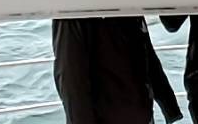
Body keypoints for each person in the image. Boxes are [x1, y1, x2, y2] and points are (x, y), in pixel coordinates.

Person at [52, 17, 182, 124]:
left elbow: (145, 51)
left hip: (139, 111)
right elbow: (71, 81)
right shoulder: (71, 14)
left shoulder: (126, 6)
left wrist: (169, 106)